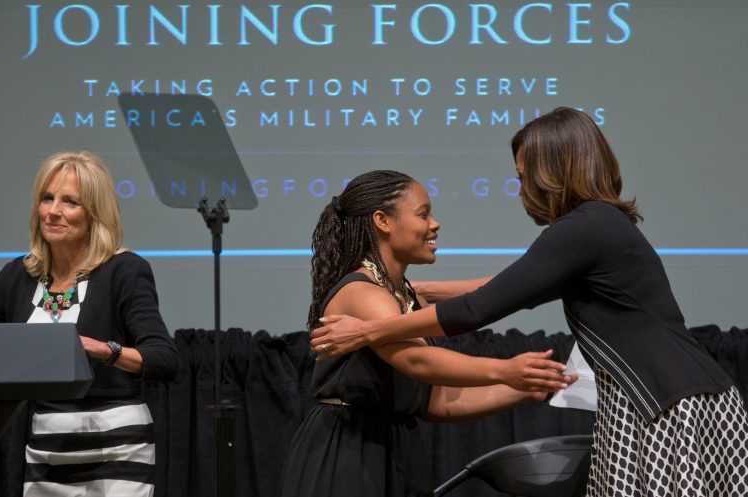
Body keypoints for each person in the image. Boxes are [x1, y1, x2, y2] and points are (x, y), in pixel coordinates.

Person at [310, 109, 748, 496]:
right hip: (653, 398)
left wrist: (369, 330)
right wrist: (419, 292)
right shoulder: (597, 226)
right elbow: (507, 285)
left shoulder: (584, 228)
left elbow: (480, 307)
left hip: (665, 402)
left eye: (522, 176)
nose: (520, 189)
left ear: (551, 171)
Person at [278, 170, 576, 497]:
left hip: (396, 450)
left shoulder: (404, 296)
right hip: (349, 454)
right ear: (383, 221)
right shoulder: (364, 294)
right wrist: (505, 370)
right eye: (423, 214)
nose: (435, 224)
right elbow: (418, 361)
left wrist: (530, 386)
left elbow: (438, 402)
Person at [0, 151, 178, 497]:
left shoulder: (124, 270)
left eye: (70, 201)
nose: (53, 211)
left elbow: (164, 359)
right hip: (44, 455)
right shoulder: (17, 275)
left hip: (117, 452)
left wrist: (103, 350)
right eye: (47, 198)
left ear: (94, 214)